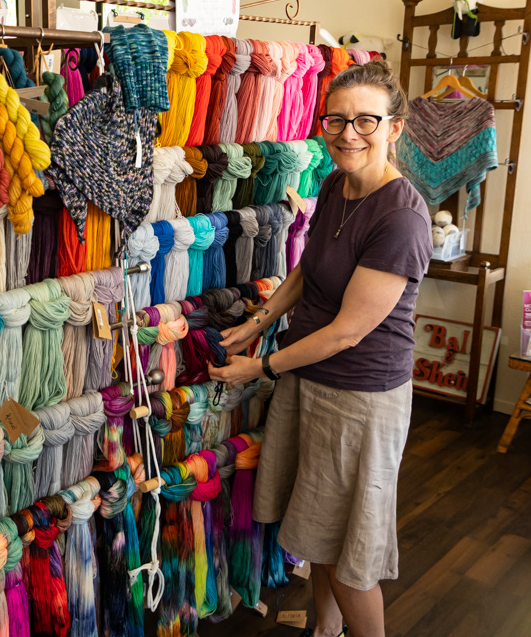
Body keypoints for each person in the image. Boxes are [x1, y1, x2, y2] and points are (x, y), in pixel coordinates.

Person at [208, 60, 432, 637]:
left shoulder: (401, 218)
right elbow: (309, 270)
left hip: (360, 395)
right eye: (337, 120)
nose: (348, 133)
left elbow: (347, 331)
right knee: (320, 533)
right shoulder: (335, 183)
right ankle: (322, 631)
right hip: (311, 376)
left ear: (394, 128)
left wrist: (262, 366)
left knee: (348, 554)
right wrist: (260, 321)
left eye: (366, 121)